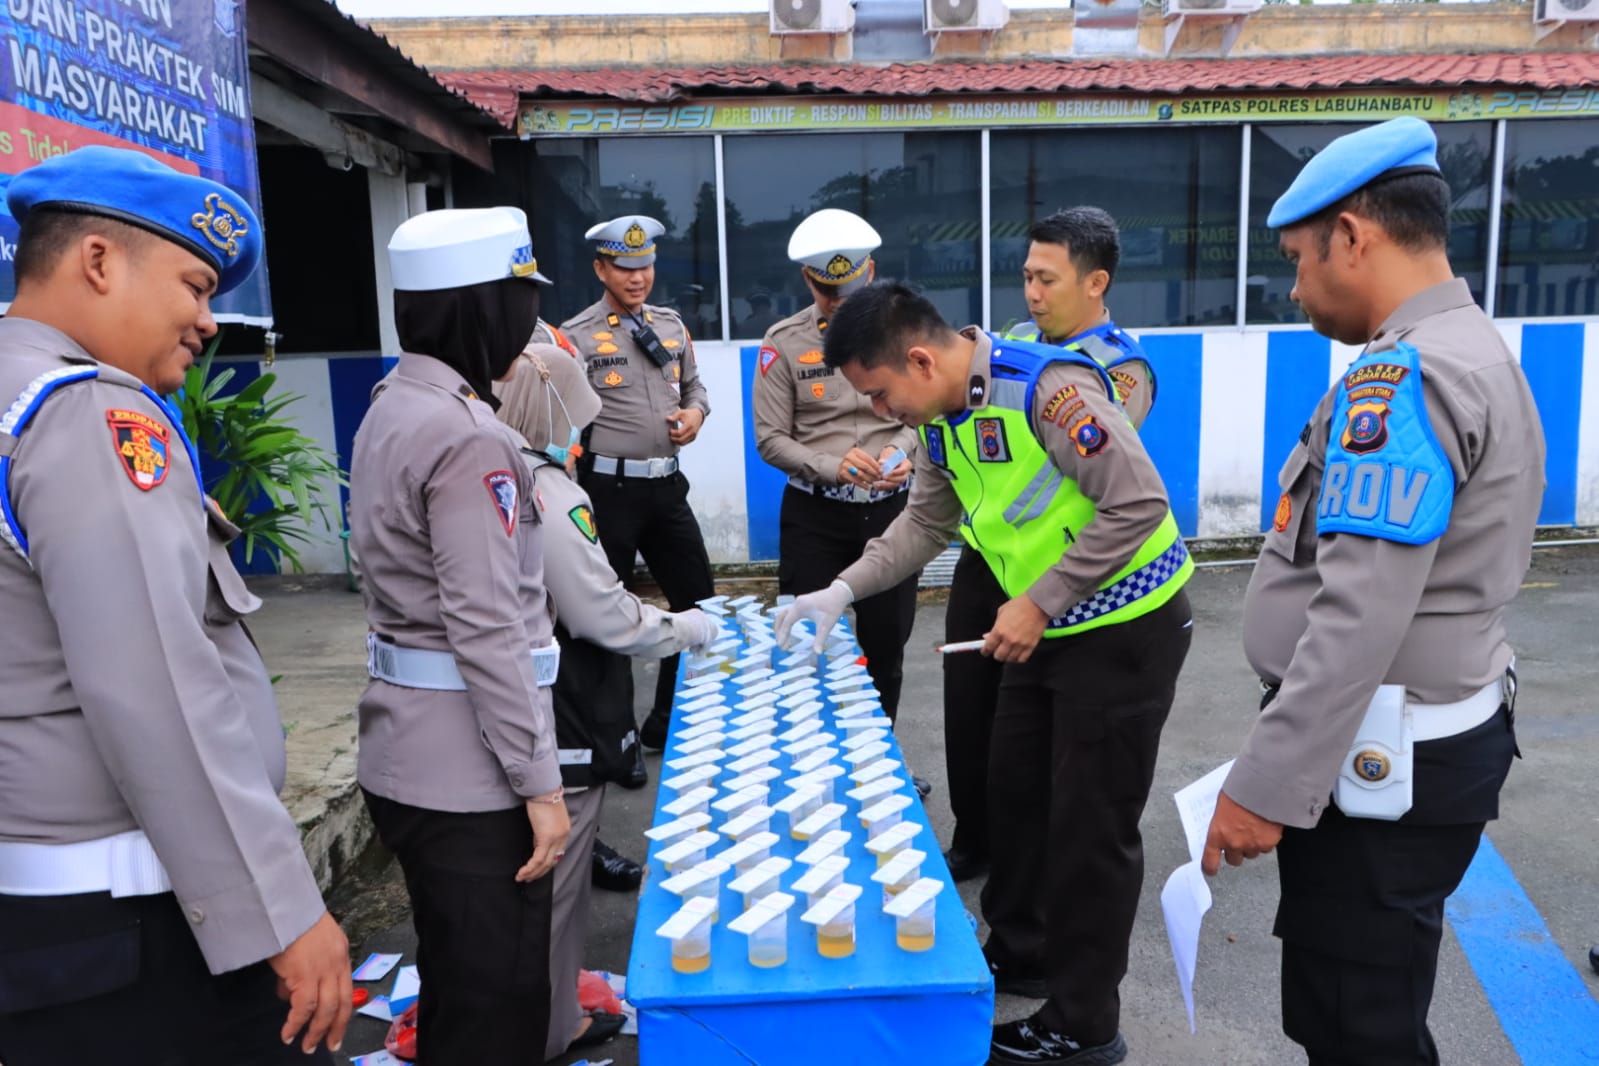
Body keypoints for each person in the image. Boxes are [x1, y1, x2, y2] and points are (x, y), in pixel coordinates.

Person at [779, 282, 1193, 1066]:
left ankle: (1083, 1023)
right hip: (1048, 631)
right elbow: (924, 523)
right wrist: (841, 588)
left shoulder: (1048, 389)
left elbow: (1136, 503)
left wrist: (1037, 600)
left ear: (921, 357)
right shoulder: (940, 420)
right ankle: (1024, 951)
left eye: (879, 393)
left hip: (1122, 629)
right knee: (1013, 795)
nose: (880, 411)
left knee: (1088, 831)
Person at [1202, 116, 1543, 1066]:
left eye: (1299, 260)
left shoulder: (1401, 375)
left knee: (1356, 1025)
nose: (1296, 287)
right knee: (1368, 1003)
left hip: (1380, 766)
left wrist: (1265, 787)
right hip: (1419, 741)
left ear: (1353, 235)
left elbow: (1358, 614)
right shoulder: (1468, 344)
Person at [0, 146, 351, 1063]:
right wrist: (280, 910)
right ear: (98, 262)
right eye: (194, 287)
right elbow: (152, 680)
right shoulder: (85, 410)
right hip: (127, 922)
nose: (206, 321)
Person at [350, 206, 571, 1064]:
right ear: (482, 308)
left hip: (404, 751)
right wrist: (540, 783)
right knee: (496, 1009)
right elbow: (486, 625)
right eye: (519, 302)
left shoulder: (393, 406)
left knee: (455, 983)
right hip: (470, 777)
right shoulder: (468, 435)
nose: (529, 324)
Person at [495, 347, 720, 1060]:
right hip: (563, 712)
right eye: (580, 420)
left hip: (515, 706)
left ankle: (542, 1013)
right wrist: (688, 627)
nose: (585, 438)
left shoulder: (488, 472)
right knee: (554, 894)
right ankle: (547, 1027)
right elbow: (605, 617)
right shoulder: (549, 490)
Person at [945, 206, 1161, 885]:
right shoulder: (1011, 342)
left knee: (1029, 736)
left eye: (1046, 279)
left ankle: (1022, 860)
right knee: (967, 708)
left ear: (1094, 282)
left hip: (1054, 573)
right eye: (1026, 277)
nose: (1031, 293)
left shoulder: (1118, 371)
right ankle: (973, 838)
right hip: (988, 558)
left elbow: (1094, 482)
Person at [752, 208, 928, 797]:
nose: (836, 303)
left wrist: (903, 448)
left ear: (871, 271)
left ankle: (878, 767)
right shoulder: (782, 345)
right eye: (826, 291)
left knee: (885, 650)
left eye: (848, 289)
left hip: (890, 514)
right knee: (806, 643)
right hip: (816, 517)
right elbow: (770, 438)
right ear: (807, 282)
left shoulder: (908, 339)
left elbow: (925, 414)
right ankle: (811, 769)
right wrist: (831, 466)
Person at [561, 215, 716, 750]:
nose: (637, 278)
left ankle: (667, 724)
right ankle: (616, 739)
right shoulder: (575, 337)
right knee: (608, 615)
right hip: (608, 493)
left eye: (645, 265)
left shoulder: (671, 325)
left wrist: (696, 415)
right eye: (625, 268)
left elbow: (695, 388)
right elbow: (562, 423)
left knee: (698, 600)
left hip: (667, 489)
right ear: (601, 268)